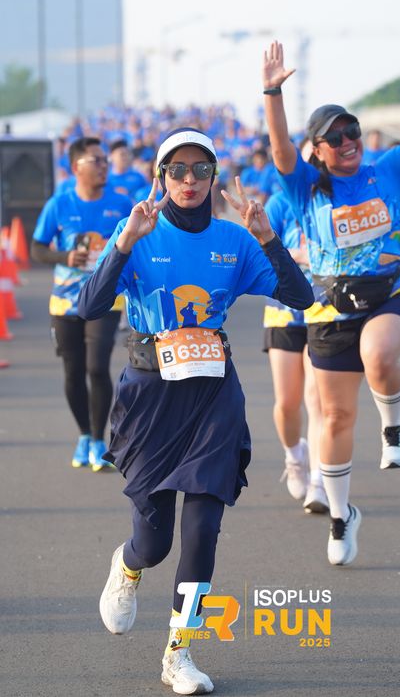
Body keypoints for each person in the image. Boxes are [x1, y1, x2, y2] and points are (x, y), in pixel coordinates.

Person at [78, 127, 313, 694]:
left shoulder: (235, 240)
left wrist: (268, 238)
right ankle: (128, 566)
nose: (189, 180)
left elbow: (301, 297)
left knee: (203, 528)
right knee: (155, 542)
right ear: (160, 177)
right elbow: (89, 305)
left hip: (213, 395)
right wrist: (123, 243)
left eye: (201, 170)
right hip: (150, 396)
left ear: (213, 177)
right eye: (177, 170)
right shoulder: (139, 230)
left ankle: (179, 652)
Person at [262, 35, 400, 566]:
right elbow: (281, 150)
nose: (348, 140)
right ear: (318, 150)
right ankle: (341, 516)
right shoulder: (305, 189)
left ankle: (393, 428)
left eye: (352, 130)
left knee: (378, 354)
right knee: (333, 418)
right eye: (335, 137)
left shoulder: (387, 170)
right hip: (330, 311)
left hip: (390, 294)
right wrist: (272, 94)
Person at [31, 136, 133, 469]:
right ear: (77, 167)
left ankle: (100, 440)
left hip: (105, 301)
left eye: (105, 160)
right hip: (65, 303)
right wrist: (65, 256)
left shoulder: (121, 204)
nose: (104, 166)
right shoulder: (58, 204)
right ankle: (85, 435)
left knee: (97, 367)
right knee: (73, 373)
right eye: (97, 161)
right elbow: (37, 249)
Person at [263, 142, 327, 514]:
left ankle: (319, 479)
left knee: (317, 399)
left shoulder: (332, 201)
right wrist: (298, 256)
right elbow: (262, 253)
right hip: (284, 311)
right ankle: (294, 456)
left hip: (325, 309)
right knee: (287, 403)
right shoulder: (278, 203)